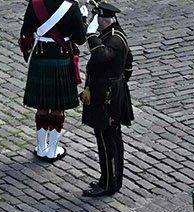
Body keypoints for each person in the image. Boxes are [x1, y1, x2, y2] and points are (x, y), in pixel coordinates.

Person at [19, 0, 87, 160]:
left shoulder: (35, 3)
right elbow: (80, 38)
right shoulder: (72, 6)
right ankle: (52, 150)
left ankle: (41, 148)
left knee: (42, 106)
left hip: (40, 58)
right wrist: (83, 20)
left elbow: (25, 31)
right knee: (58, 107)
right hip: (61, 58)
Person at [80, 3, 132, 195]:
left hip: (107, 97)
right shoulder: (114, 33)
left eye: (97, 20)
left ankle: (109, 185)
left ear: (104, 20)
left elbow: (101, 55)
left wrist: (91, 35)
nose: (95, 23)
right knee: (109, 139)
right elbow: (128, 65)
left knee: (107, 141)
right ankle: (110, 179)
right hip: (110, 91)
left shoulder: (115, 40)